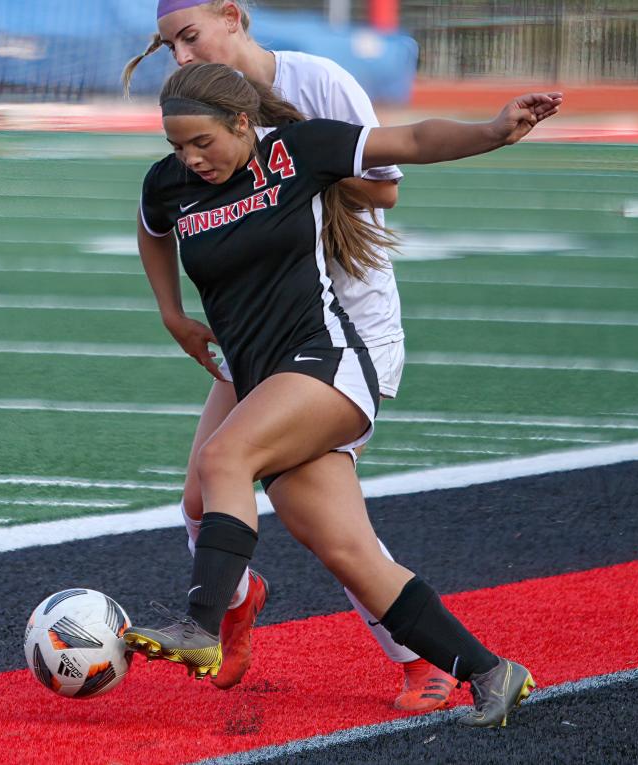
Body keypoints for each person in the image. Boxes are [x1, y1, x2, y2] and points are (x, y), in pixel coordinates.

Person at [123, 61, 560, 728]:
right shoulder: (171, 182)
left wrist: (496, 131)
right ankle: (491, 671)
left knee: (223, 460)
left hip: (326, 366)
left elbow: (410, 143)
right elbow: (152, 229)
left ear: (243, 123)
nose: (189, 158)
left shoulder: (295, 150)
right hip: (262, 377)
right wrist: (169, 312)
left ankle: (201, 623)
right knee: (350, 554)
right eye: (175, 144)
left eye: (202, 143)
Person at [123, 0, 450, 711]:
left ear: (233, 17)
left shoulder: (317, 81)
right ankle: (233, 602)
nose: (180, 55)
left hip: (340, 328)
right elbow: (156, 219)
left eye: (188, 37)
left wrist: (290, 161)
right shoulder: (194, 122)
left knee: (322, 519)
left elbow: (384, 187)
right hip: (259, 332)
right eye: (167, 46)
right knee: (198, 498)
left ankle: (422, 657)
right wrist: (172, 312)